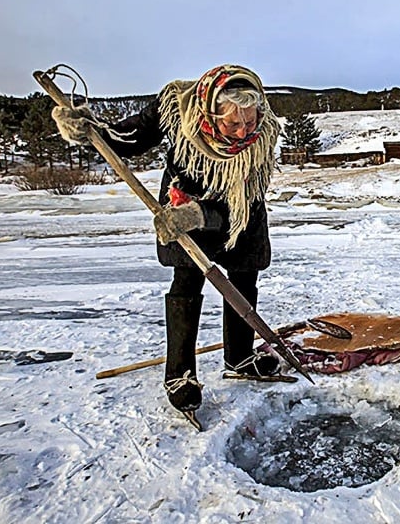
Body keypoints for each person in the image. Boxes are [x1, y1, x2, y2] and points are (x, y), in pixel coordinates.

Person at [51, 64, 282, 418]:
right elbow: (128, 139)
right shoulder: (176, 105)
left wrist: (204, 215)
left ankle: (240, 357)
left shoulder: (260, 139)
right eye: (232, 124)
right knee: (187, 280)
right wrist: (87, 130)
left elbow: (243, 203)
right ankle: (180, 375)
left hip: (237, 208)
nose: (242, 132)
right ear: (208, 112)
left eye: (249, 121)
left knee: (244, 274)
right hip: (180, 203)